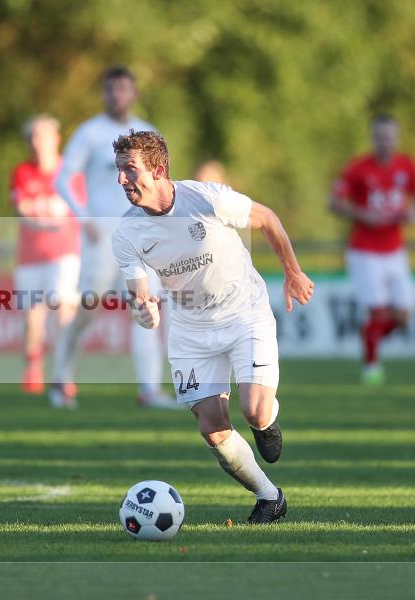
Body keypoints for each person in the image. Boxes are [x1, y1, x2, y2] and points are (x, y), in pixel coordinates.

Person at [111, 130, 314, 524]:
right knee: (212, 426)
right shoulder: (126, 232)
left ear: (158, 169)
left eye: (129, 170)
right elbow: (139, 294)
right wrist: (143, 310)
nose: (122, 180)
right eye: (119, 171)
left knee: (254, 411)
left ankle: (266, 420)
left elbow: (267, 218)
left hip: (244, 314)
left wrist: (292, 271)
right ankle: (269, 497)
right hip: (190, 331)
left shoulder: (206, 199)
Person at [52, 65, 176, 409]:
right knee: (88, 309)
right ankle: (61, 379)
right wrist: (84, 218)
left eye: (123, 89)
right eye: (111, 90)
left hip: (141, 233)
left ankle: (149, 389)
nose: (116, 96)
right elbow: (63, 179)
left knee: (145, 306)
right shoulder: (90, 133)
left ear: (133, 94)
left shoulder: (148, 132)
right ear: (104, 93)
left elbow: (163, 186)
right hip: (101, 236)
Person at [329, 114, 415, 385]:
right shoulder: (358, 168)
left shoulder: (407, 166)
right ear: (373, 138)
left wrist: (414, 212)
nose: (386, 142)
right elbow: (334, 202)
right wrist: (362, 214)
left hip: (395, 249)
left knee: (404, 314)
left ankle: (368, 335)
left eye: (390, 136)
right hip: (365, 251)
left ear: (397, 138)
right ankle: (372, 367)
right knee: (378, 312)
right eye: (381, 137)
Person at [10, 114, 83, 397]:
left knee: (64, 313)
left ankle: (63, 375)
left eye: (43, 136)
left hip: (64, 254)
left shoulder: (70, 172)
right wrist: (45, 222)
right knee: (32, 320)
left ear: (56, 139)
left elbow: (81, 211)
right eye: (33, 137)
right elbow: (22, 210)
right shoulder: (21, 172)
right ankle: (33, 368)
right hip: (30, 257)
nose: (37, 143)